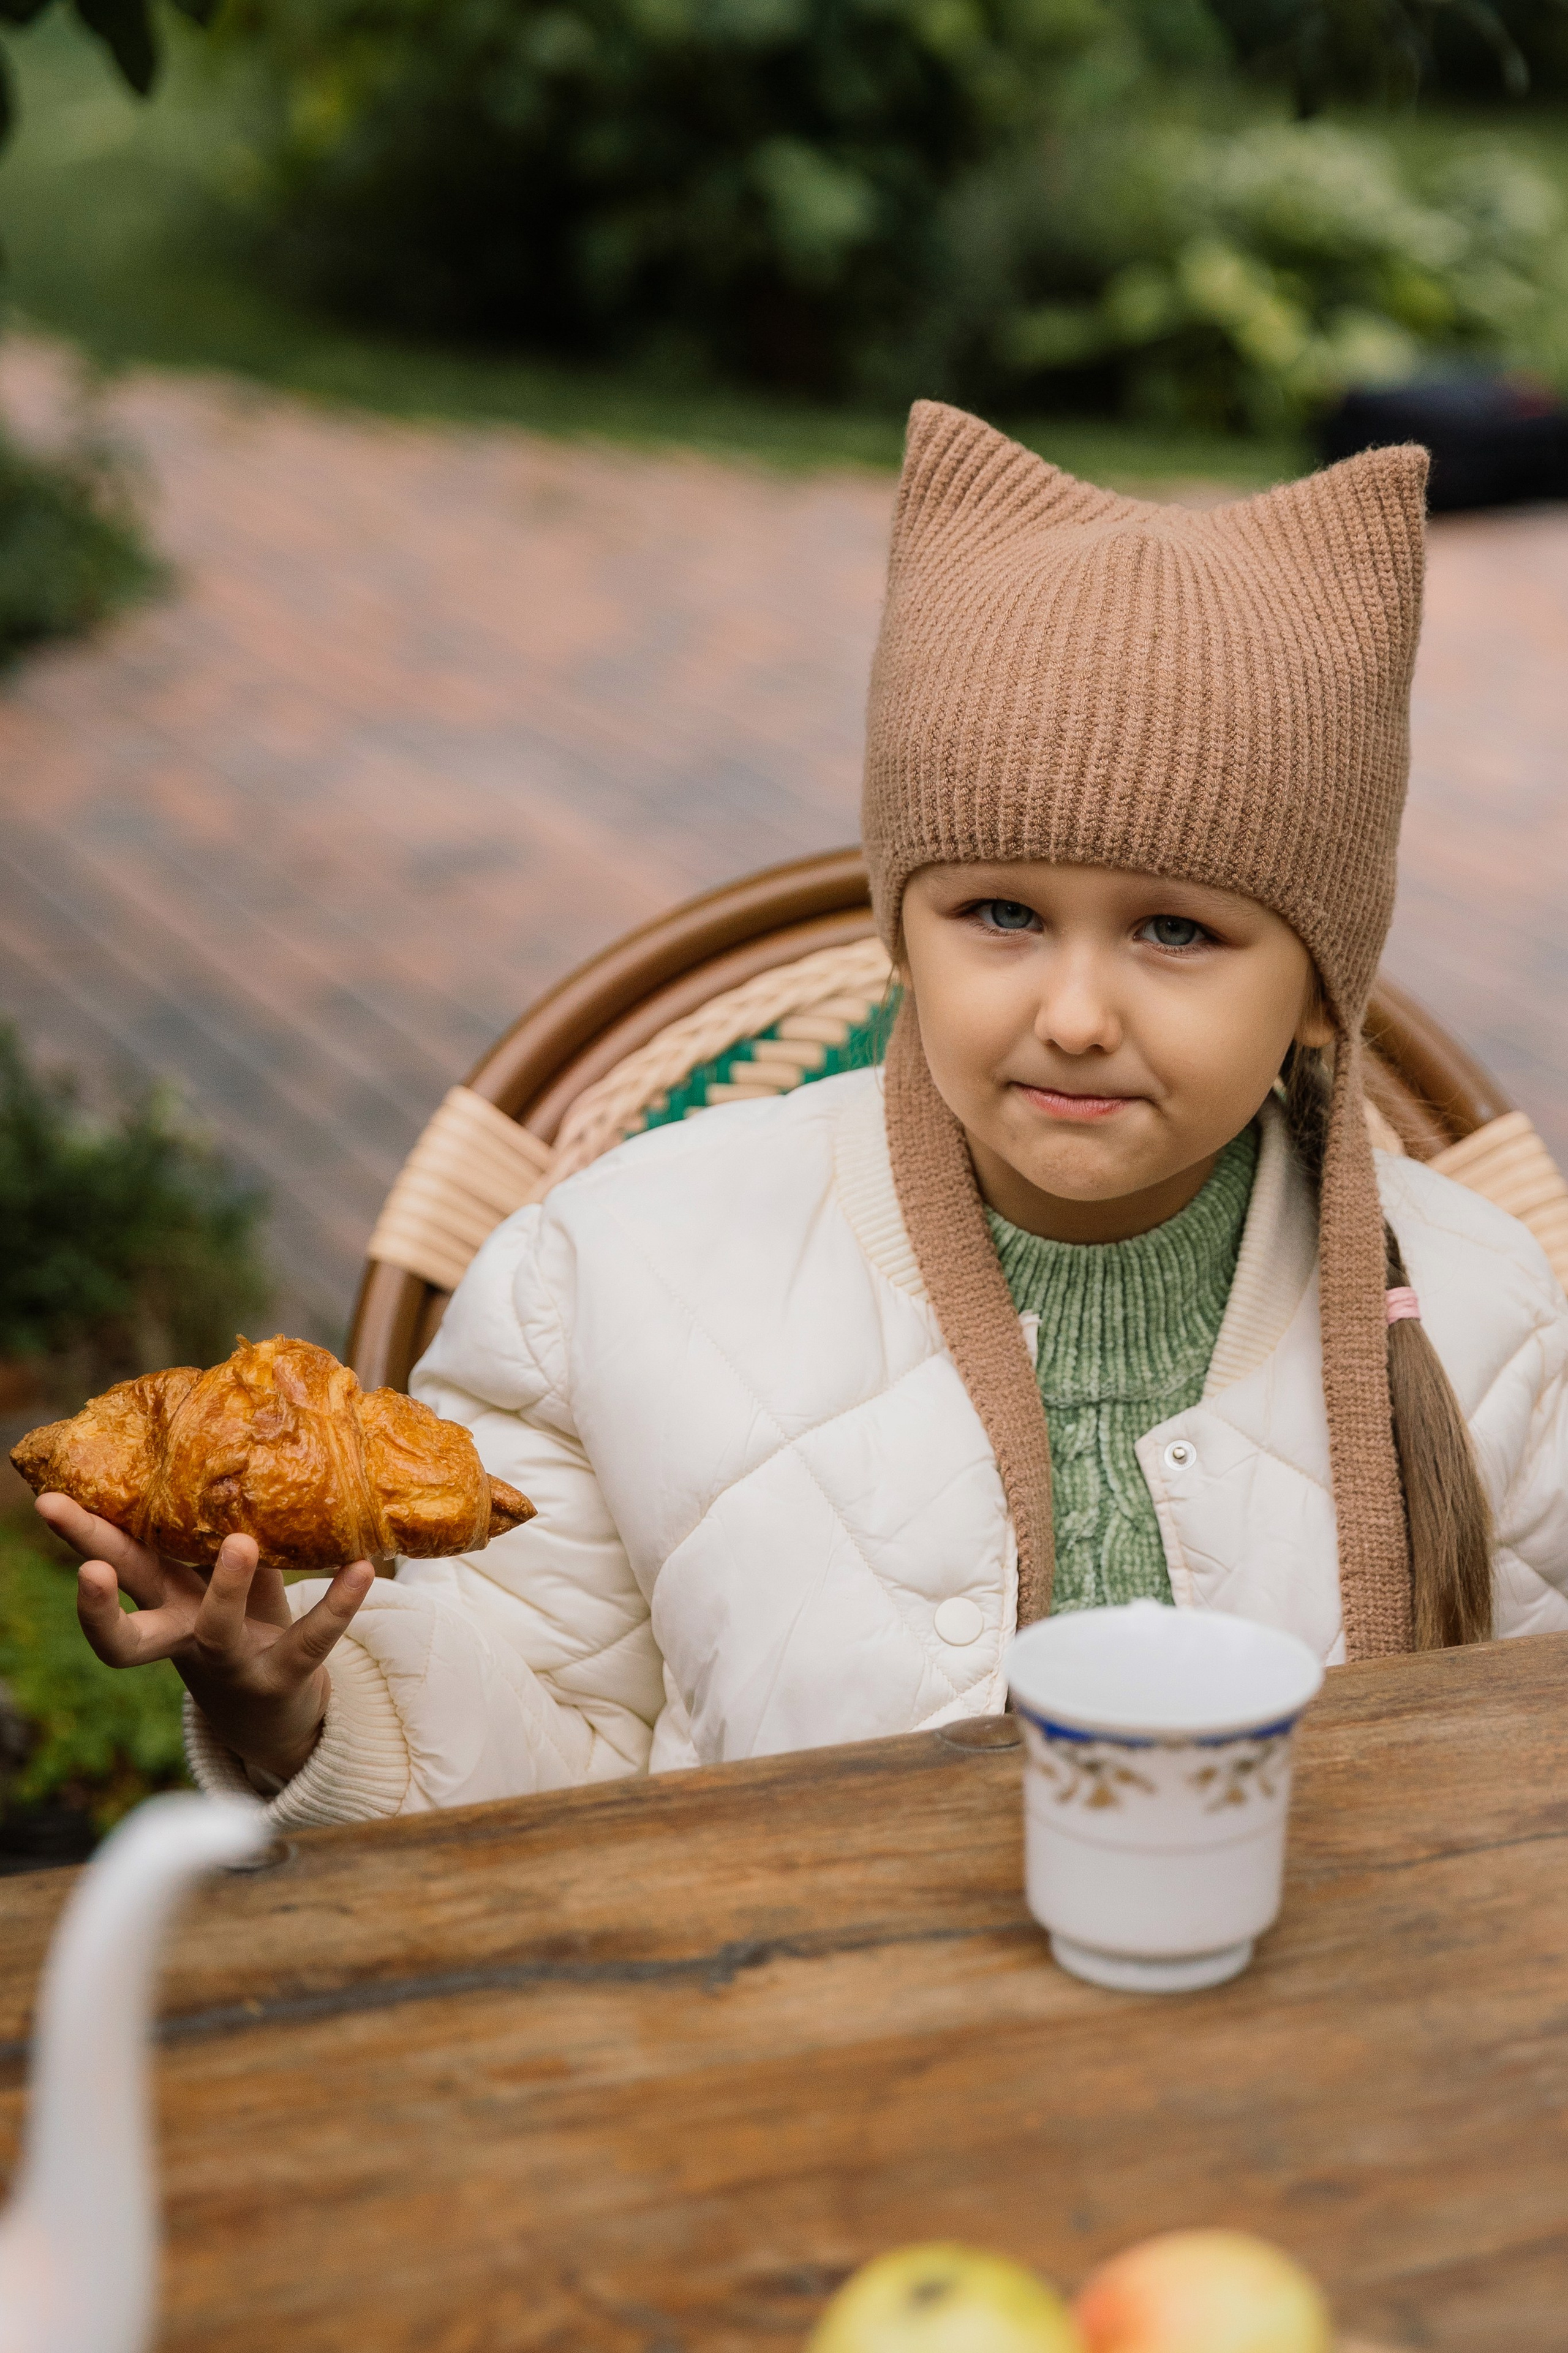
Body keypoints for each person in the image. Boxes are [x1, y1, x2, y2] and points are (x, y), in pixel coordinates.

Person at [38, 402, 1568, 1829]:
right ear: (900, 932)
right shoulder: (612, 1278)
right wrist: (284, 1706)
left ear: (1319, 992)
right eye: (999, 913)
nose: (1074, 1012)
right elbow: (520, 1787)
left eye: (1175, 930)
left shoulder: (1487, 1323)